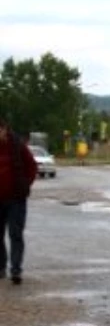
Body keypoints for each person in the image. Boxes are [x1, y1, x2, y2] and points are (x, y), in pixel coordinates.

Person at [0, 116, 38, 284]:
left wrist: (25, 184)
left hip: (16, 198)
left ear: (4, 129)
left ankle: (16, 270)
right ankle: (1, 267)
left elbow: (32, 166)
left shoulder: (17, 145)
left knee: (15, 234)